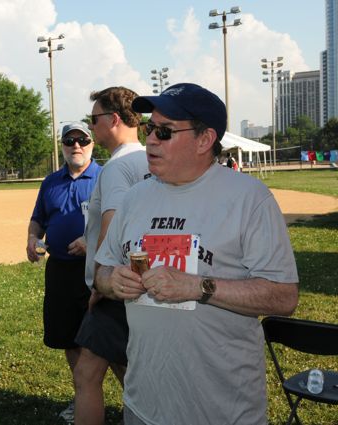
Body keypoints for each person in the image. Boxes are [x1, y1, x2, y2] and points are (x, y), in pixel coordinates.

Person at [94, 83, 299, 425]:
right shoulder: (133, 198)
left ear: (205, 140)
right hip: (143, 406)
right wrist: (111, 281)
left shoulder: (250, 199)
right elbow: (101, 270)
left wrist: (198, 287)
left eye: (164, 131)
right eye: (148, 129)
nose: (150, 140)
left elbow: (284, 296)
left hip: (223, 412)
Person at [73, 87, 150, 425]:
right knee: (128, 368)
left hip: (115, 284)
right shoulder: (151, 159)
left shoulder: (117, 167)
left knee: (86, 373)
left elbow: (113, 224)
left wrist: (99, 283)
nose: (91, 127)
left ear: (114, 119)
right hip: (142, 276)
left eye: (94, 119)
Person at [26, 121, 101, 423]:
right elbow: (38, 218)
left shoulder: (104, 178)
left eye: (82, 140)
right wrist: (32, 238)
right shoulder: (51, 182)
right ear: (62, 146)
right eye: (69, 141)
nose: (76, 146)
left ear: (92, 143)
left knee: (106, 338)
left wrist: (91, 242)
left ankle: (131, 401)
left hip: (95, 270)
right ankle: (82, 395)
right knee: (68, 338)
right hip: (59, 270)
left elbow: (119, 222)